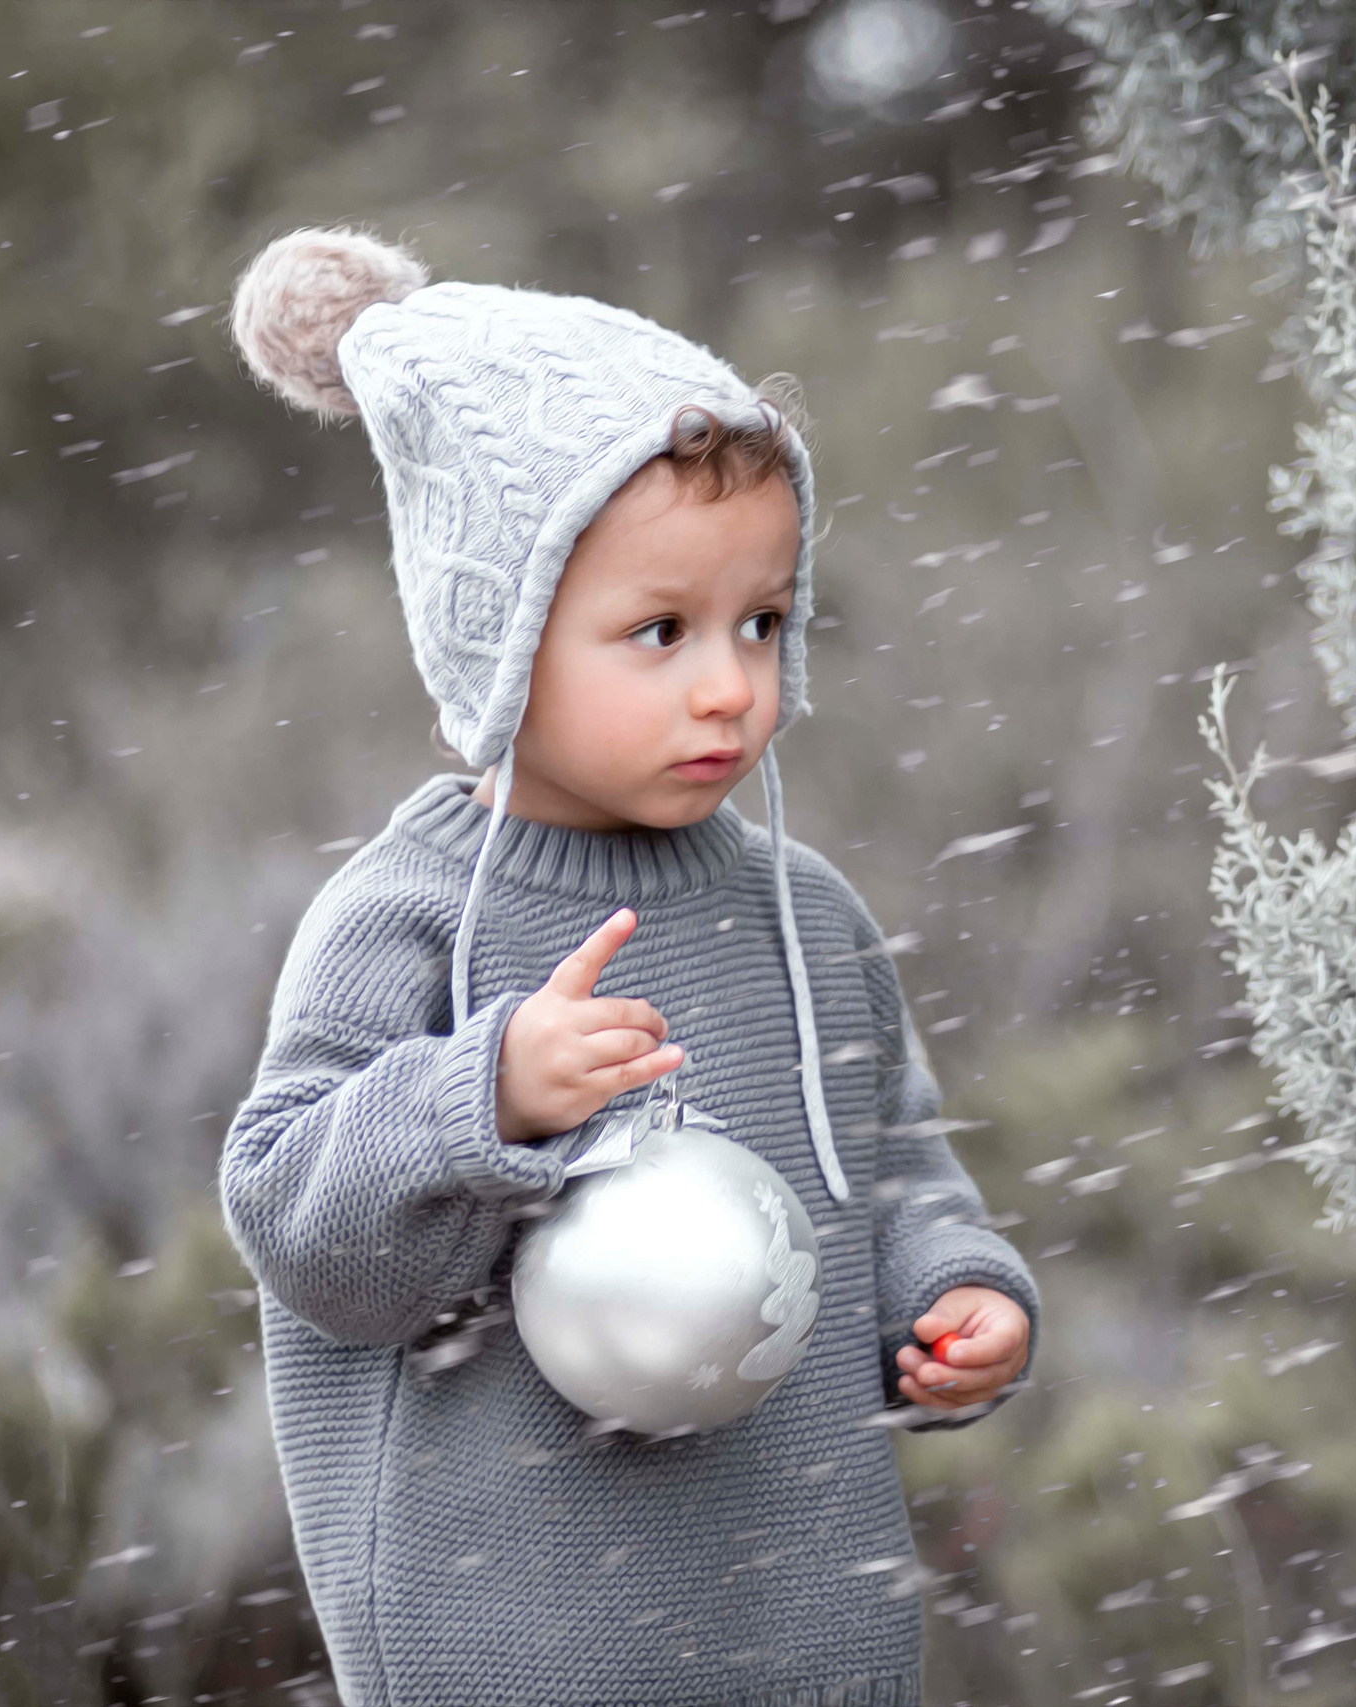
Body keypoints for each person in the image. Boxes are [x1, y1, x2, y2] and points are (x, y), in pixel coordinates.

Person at [217, 227, 1037, 1707]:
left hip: (807, 1630)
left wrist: (953, 1292)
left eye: (761, 622)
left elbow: (894, 1167)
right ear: (502, 637)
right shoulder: (403, 918)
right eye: (659, 630)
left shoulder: (808, 915)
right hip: (515, 1642)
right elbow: (298, 1227)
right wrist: (481, 1099)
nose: (730, 686)